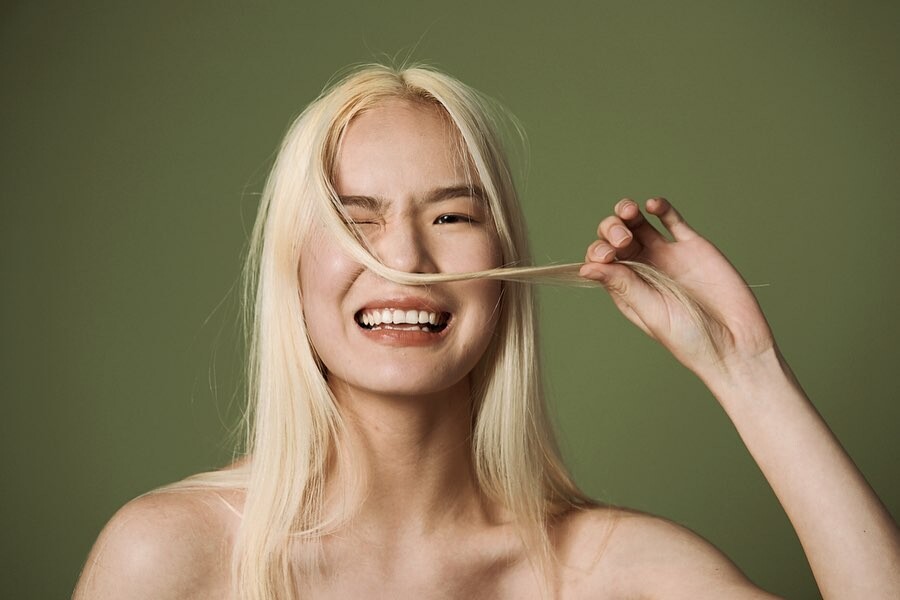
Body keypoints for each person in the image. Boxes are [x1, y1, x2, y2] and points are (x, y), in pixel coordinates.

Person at [73, 64, 900, 599]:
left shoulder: (607, 572)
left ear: (504, 263)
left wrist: (746, 368)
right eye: (356, 220)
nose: (404, 260)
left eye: (452, 216)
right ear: (291, 267)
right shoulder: (169, 556)